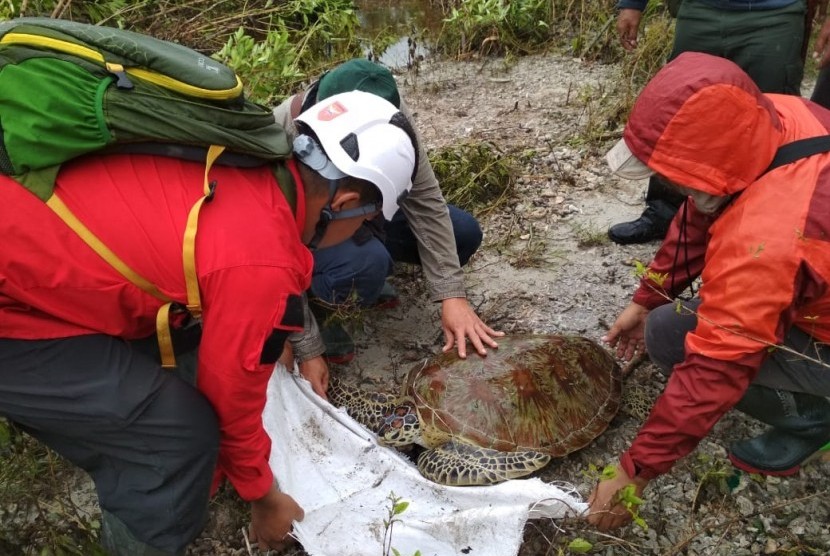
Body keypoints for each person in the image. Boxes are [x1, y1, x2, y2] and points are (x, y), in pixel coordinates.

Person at [0, 91, 418, 554]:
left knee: (188, 357)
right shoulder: (260, 260)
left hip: (30, 246)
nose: (357, 235)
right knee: (177, 438)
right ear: (344, 202)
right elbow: (232, 396)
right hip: (11, 306)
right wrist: (264, 497)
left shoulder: (248, 153)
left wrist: (268, 331)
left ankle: (193, 481)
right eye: (364, 223)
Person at [587, 52, 830, 531]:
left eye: (671, 173)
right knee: (661, 325)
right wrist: (647, 297)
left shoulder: (768, 241)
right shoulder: (771, 117)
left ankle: (814, 419)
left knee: (680, 343)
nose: (666, 182)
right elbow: (698, 215)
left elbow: (715, 370)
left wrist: (634, 471)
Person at [276, 59, 503, 365]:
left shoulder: (388, 115)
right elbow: (276, 252)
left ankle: (366, 263)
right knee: (366, 263)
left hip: (365, 207)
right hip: (318, 223)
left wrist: (452, 295)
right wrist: (306, 344)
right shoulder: (286, 131)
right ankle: (325, 301)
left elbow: (426, 201)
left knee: (463, 233)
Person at [608, 0, 808, 245]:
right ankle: (664, 213)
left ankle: (756, 225)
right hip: (701, 9)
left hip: (775, 15)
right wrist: (632, 3)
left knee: (769, 122)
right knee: (680, 108)